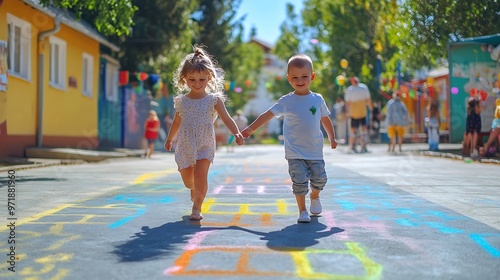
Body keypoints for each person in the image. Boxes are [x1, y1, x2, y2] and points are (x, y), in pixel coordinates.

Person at [241, 54, 337, 223]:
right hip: (295, 152)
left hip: (315, 151)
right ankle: (302, 211)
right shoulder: (286, 101)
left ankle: (315, 197)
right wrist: (250, 128)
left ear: (312, 77)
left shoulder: (317, 99)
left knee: (320, 180)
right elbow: (268, 115)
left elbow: (325, 118)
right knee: (299, 182)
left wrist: (332, 137)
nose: (300, 80)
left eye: (304, 76)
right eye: (295, 77)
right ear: (288, 79)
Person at [164, 46, 244, 221]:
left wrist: (237, 133)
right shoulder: (182, 101)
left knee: (201, 174)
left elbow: (228, 118)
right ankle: (193, 189)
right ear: (184, 78)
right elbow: (177, 121)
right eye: (192, 79)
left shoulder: (214, 100)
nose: (197, 83)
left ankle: (197, 207)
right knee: (188, 181)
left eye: (202, 79)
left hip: (205, 144)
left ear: (209, 77)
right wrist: (170, 139)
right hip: (185, 144)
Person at [344, 76, 372, 153]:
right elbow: (368, 99)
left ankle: (352, 146)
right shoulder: (364, 87)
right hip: (362, 111)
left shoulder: (350, 89)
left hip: (354, 112)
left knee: (353, 130)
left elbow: (347, 102)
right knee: (363, 129)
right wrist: (371, 107)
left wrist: (348, 112)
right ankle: (364, 146)